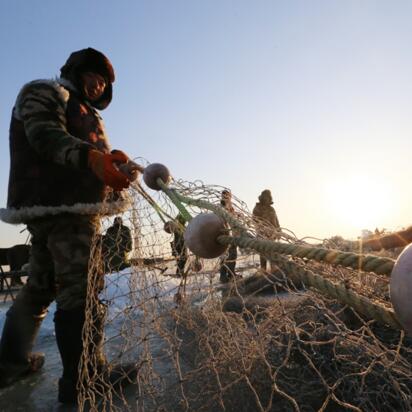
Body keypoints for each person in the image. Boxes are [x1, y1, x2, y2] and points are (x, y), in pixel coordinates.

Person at [0, 48, 140, 403]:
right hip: (66, 215)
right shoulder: (44, 91)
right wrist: (93, 157)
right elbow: (45, 136)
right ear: (75, 71)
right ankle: (85, 379)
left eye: (104, 82)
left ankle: (10, 365)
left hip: (58, 213)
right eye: (94, 75)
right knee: (82, 289)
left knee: (40, 288)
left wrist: (115, 166)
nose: (98, 84)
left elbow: (90, 162)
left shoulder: (86, 113)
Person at [252, 189, 281, 271]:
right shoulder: (257, 208)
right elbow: (254, 221)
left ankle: (273, 272)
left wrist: (279, 231)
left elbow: (276, 221)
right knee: (263, 255)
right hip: (262, 236)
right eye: (267, 197)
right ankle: (264, 272)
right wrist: (263, 230)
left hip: (272, 236)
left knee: (273, 255)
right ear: (263, 198)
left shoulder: (272, 209)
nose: (269, 199)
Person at [219, 190, 239, 283]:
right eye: (226, 196)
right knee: (225, 255)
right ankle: (223, 276)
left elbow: (234, 219)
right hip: (224, 234)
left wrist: (237, 215)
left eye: (229, 196)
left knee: (233, 254)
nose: (228, 198)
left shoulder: (230, 208)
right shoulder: (220, 208)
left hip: (232, 235)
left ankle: (231, 274)